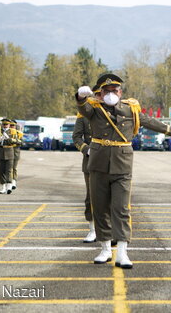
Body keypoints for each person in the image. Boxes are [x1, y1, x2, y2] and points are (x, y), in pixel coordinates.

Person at [76, 73, 171, 268]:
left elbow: (150, 122)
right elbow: (82, 108)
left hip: (122, 165)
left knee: (121, 208)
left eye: (114, 90)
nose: (111, 93)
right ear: (99, 93)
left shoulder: (130, 108)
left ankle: (123, 253)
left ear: (121, 91)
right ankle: (105, 249)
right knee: (100, 208)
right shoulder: (94, 109)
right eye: (106, 91)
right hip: (98, 164)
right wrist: (81, 97)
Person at [73, 85, 99, 242]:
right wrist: (86, 149)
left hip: (108, 159)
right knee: (91, 196)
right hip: (90, 161)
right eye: (95, 95)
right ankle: (92, 229)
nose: (97, 98)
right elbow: (76, 137)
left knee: (109, 198)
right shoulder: (83, 116)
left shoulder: (111, 112)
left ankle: (108, 230)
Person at [0, 118, 17, 194]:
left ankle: (9, 186)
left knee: (9, 170)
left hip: (9, 152)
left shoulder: (12, 131)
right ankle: (3, 187)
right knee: (1, 170)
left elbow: (17, 141)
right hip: (1, 151)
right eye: (4, 124)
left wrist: (9, 139)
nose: (5, 126)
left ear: (9, 125)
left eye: (6, 124)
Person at [10, 120, 23, 191]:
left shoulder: (19, 134)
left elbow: (22, 142)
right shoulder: (7, 133)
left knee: (14, 168)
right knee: (8, 169)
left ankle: (13, 181)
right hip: (7, 153)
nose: (12, 127)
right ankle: (8, 182)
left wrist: (15, 141)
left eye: (13, 125)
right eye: (11, 125)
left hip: (15, 153)